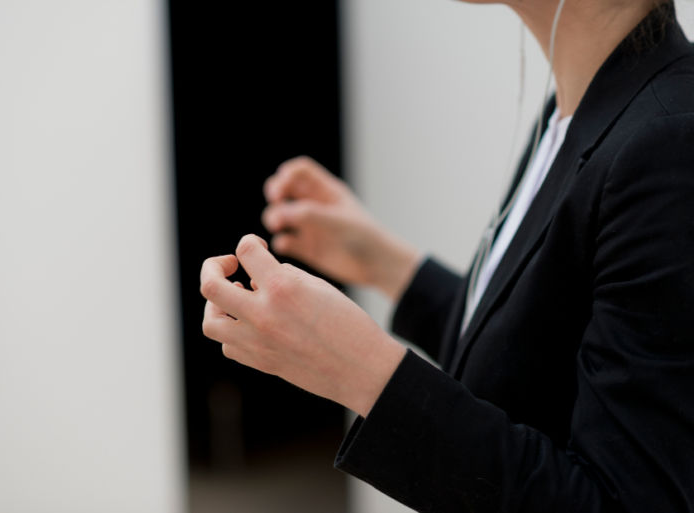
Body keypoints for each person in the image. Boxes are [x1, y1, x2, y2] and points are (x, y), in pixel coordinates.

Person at [200, 0, 694, 511]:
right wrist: (387, 265)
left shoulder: (669, 139)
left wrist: (363, 372)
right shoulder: (575, 112)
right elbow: (542, 360)